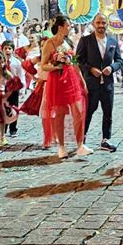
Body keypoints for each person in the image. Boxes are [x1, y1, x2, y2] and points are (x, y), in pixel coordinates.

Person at [40, 15, 92, 158]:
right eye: (68, 25)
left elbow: (74, 61)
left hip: (71, 79)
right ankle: (61, 147)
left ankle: (80, 144)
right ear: (61, 26)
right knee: (60, 114)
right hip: (56, 81)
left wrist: (82, 80)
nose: (70, 28)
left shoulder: (69, 41)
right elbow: (43, 65)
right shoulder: (49, 43)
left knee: (79, 111)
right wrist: (57, 65)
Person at [76, 13, 123, 153]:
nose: (101, 25)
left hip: (107, 84)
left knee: (108, 112)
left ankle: (106, 140)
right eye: (98, 23)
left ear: (107, 24)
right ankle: (81, 140)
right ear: (93, 24)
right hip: (91, 83)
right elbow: (78, 60)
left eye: (103, 23)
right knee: (89, 111)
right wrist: (90, 69)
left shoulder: (113, 41)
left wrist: (112, 68)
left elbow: (120, 61)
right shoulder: (85, 40)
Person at [2, 40, 25, 137]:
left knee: (14, 108)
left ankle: (13, 128)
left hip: (14, 88)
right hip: (3, 87)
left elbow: (21, 75)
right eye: (5, 48)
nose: (7, 51)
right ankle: (3, 128)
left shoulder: (16, 62)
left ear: (13, 50)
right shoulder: (0, 62)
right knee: (4, 108)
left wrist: (22, 87)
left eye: (9, 48)